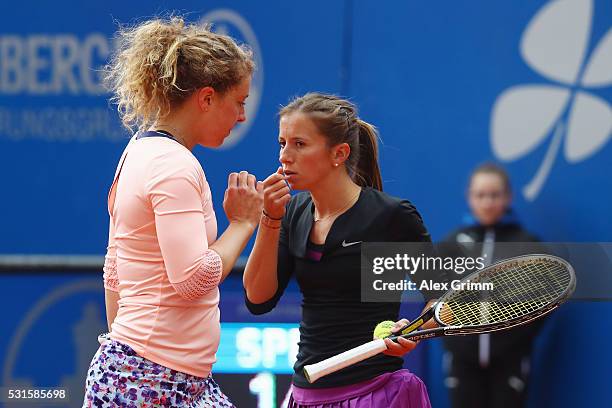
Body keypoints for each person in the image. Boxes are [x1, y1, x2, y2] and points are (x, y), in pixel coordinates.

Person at [83, 16, 262, 407]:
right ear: (207, 98)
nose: (243, 117)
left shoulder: (138, 151)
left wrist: (130, 353)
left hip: (159, 376)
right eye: (239, 103)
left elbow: (114, 269)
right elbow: (194, 279)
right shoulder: (174, 165)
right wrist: (243, 223)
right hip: (150, 379)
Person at [243, 93, 439, 407]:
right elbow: (258, 299)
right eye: (282, 143)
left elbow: (440, 298)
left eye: (300, 144)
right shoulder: (292, 212)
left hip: (377, 393)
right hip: (306, 394)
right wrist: (270, 218)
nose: (285, 156)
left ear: (339, 153)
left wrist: (414, 331)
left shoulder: (392, 217)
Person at [442, 163, 542, 408]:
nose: (487, 202)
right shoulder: (450, 244)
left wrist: (510, 340)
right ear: (469, 197)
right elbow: (437, 300)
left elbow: (541, 304)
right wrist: (458, 340)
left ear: (508, 196)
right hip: (462, 361)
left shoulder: (528, 246)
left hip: (510, 360)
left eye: (495, 195)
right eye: (480, 195)